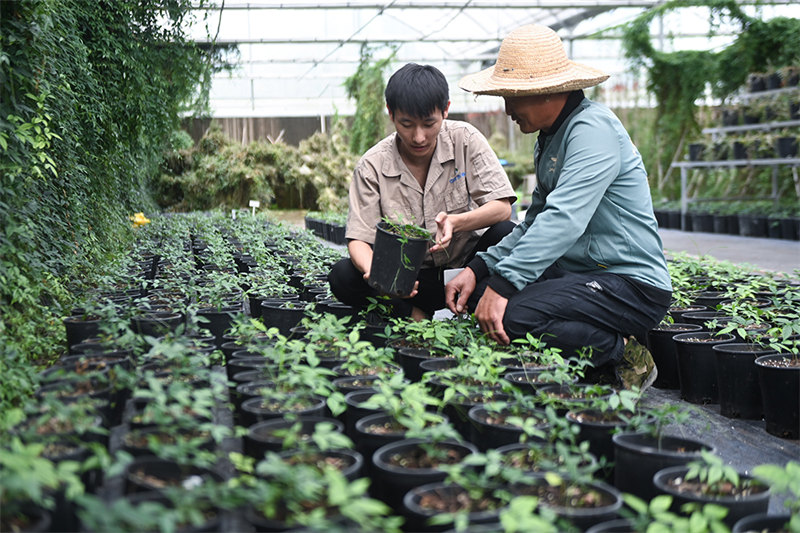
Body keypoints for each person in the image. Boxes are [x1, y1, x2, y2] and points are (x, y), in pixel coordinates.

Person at [446, 24, 673, 391]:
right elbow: (533, 222)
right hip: (581, 274)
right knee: (482, 295)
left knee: (511, 314)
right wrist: (479, 268)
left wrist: (504, 287)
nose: (507, 109)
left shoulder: (592, 130)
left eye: (512, 97)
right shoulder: (550, 139)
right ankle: (589, 350)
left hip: (629, 283)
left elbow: (563, 220)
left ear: (545, 92)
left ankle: (625, 353)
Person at [328, 63, 517, 320]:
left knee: (507, 234)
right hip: (411, 280)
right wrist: (378, 273)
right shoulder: (372, 165)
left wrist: (456, 222)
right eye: (407, 124)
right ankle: (413, 313)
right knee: (344, 276)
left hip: (465, 270)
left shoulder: (465, 139)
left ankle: (474, 305)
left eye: (429, 123)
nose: (419, 137)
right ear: (391, 114)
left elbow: (502, 207)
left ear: (446, 110)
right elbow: (359, 238)